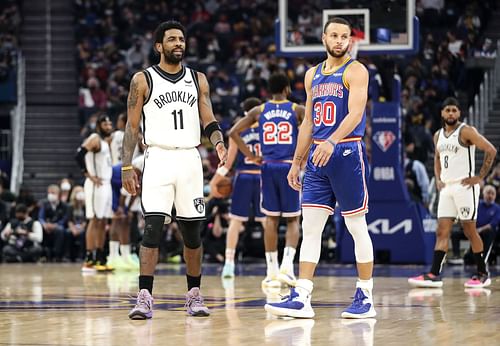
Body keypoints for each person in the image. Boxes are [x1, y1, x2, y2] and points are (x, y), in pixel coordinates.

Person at [265, 17, 376, 319]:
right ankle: (302, 295)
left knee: (355, 226)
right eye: (334, 36)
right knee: (310, 228)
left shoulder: (356, 70)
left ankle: (365, 295)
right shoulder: (312, 74)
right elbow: (308, 123)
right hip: (316, 156)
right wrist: (296, 161)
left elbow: (356, 113)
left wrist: (332, 141)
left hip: (346, 151)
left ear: (350, 41)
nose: (340, 41)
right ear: (324, 38)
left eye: (345, 36)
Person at [122, 20, 228, 319]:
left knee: (192, 234)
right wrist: (127, 166)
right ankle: (144, 296)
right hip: (157, 158)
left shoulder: (198, 79)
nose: (178, 43)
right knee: (152, 230)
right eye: (172, 39)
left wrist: (219, 143)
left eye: (181, 39)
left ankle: (194, 294)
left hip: (190, 160)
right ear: (159, 46)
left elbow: (209, 118)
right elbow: (131, 126)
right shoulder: (142, 80)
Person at [408, 97, 497, 288]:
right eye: (447, 110)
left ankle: (482, 273)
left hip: (465, 186)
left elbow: (491, 150)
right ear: (442, 113)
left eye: (454, 110)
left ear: (459, 113)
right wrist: (438, 178)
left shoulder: (466, 131)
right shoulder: (437, 135)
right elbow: (438, 158)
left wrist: (479, 177)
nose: (450, 113)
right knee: (442, 231)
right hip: (447, 188)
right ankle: (434, 274)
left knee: (469, 229)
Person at [229, 73, 304, 288]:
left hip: (267, 166)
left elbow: (233, 132)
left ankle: (271, 272)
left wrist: (251, 156)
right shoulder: (295, 109)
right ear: (287, 89)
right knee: (292, 219)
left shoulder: (259, 110)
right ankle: (287, 269)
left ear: (268, 91)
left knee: (270, 219)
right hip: (289, 165)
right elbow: (314, 128)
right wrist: (304, 157)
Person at [209, 97, 265, 279]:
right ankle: (274, 265)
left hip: (243, 177)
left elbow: (229, 162)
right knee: (267, 222)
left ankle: (229, 264)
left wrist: (215, 180)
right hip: (263, 176)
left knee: (235, 221)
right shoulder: (267, 127)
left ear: (244, 113)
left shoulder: (238, 129)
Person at [75, 114, 114, 272]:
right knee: (94, 219)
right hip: (95, 184)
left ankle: (100, 257)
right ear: (99, 126)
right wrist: (89, 175)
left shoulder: (105, 142)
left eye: (110, 124)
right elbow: (78, 155)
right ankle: (89, 257)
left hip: (106, 183)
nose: (109, 126)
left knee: (103, 221)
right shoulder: (94, 138)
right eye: (105, 124)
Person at [450, 185, 500, 265]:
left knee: (489, 233)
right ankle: (457, 256)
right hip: (473, 230)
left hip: (485, 232)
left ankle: (483, 259)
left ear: (495, 196)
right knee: (455, 234)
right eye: (488, 193)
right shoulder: (476, 204)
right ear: (483, 193)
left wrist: (479, 230)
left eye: (492, 193)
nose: (490, 195)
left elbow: (492, 224)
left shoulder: (497, 208)